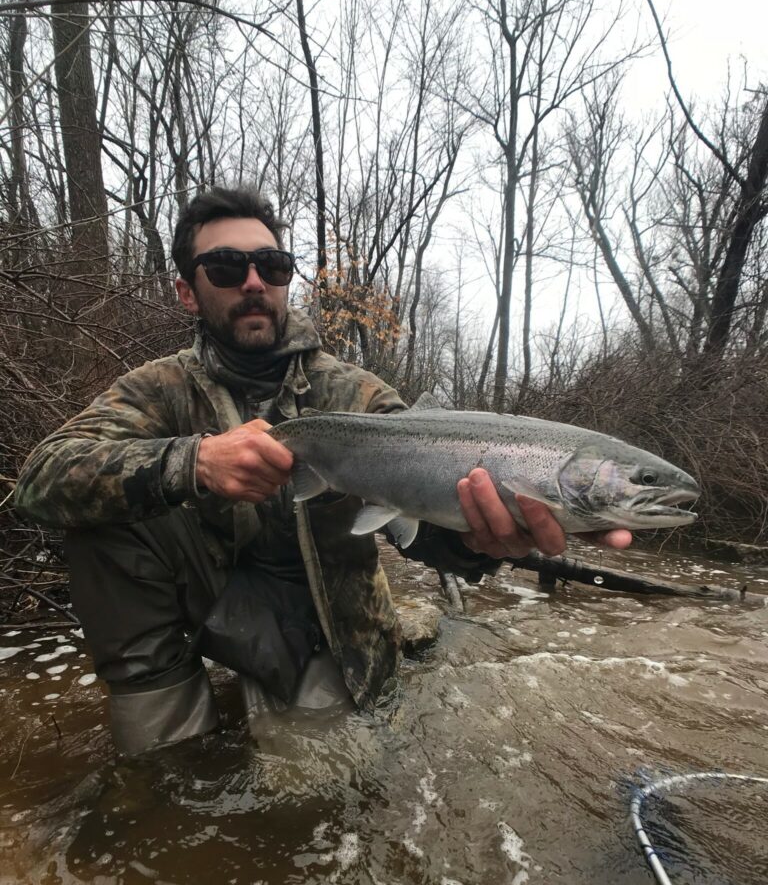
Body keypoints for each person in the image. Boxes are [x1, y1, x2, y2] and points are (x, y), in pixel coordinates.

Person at [14, 186, 630, 756]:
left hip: (321, 618)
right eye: (228, 268)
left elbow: (424, 530)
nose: (254, 282)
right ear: (187, 290)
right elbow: (40, 480)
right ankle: (164, 733)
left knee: (319, 788)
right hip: (202, 596)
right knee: (99, 514)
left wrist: (481, 543)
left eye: (272, 267)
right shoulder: (156, 390)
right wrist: (193, 462)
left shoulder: (353, 394)